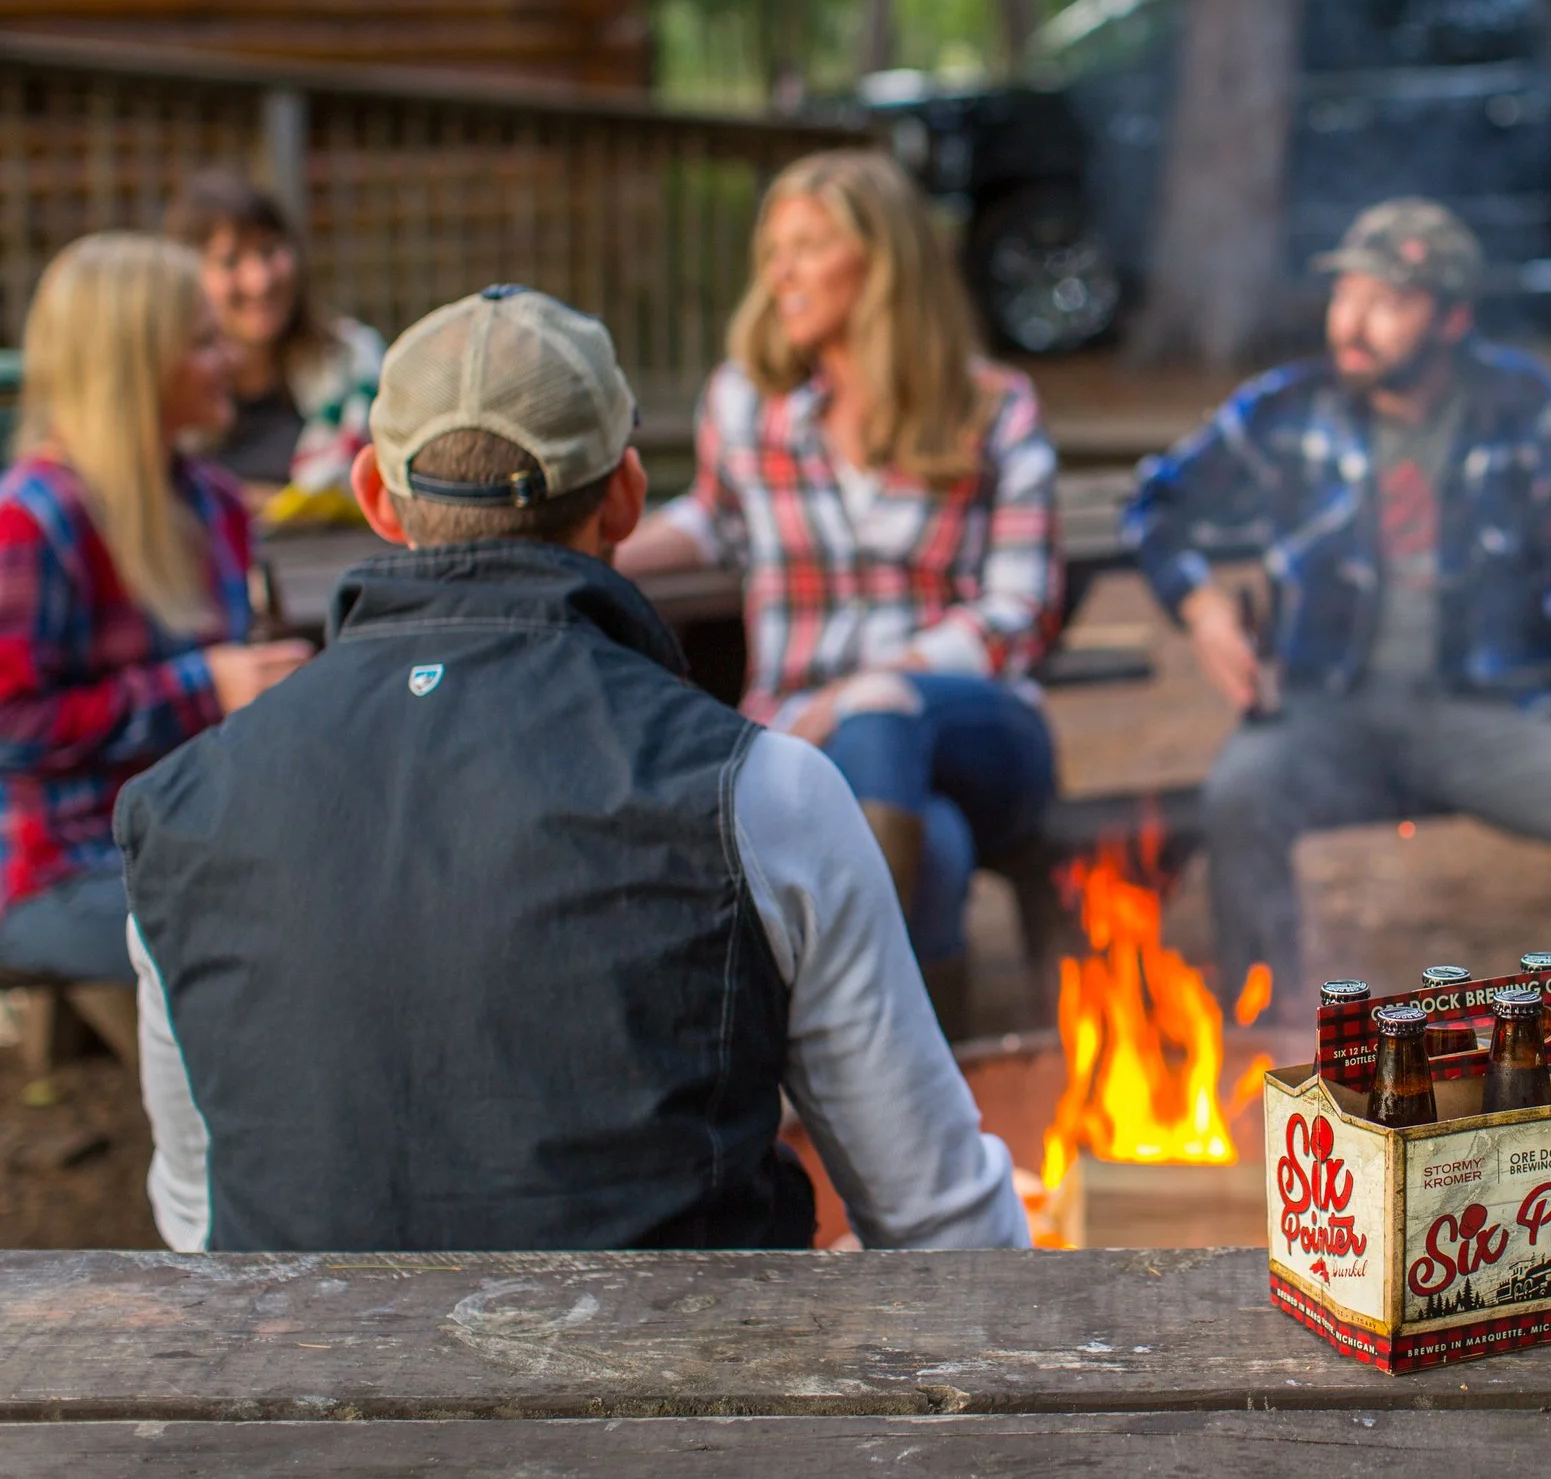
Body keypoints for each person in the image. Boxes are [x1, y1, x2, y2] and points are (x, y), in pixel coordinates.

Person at [116, 285, 1027, 1253]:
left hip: (300, 1393)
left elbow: (200, 1213)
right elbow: (944, 1226)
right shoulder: (760, 791)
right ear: (627, 493)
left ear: (376, 496)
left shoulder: (181, 805)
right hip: (682, 1397)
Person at [1124, 199, 1551, 1005]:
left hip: (1491, 712)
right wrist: (1201, 605)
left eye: (1386, 302)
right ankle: (1266, 1050)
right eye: (1346, 295)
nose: (1351, 323)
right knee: (1241, 791)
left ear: (1451, 318)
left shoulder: (1523, 409)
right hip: (1325, 712)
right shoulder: (1289, 406)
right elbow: (1156, 505)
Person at [618, 151, 1060, 1038]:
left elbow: (1020, 612)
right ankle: (944, 1088)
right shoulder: (749, 404)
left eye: (809, 246)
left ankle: (846, 1038)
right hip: (817, 747)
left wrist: (865, 689)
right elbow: (713, 518)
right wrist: (591, 551)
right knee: (930, 849)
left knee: (884, 713)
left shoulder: (993, 407)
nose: (779, 273)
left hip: (978, 732)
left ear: (882, 261)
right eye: (772, 250)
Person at [0, 233, 308, 995]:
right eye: (205, 342)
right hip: (56, 867)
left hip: (194, 836)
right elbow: (11, 727)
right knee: (271, 932)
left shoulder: (216, 501)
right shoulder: (33, 521)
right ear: (135, 366)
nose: (231, 358)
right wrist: (203, 686)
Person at [164, 170, 384, 519]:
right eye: (230, 261)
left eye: (270, 251)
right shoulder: (168, 383)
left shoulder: (353, 361)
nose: (261, 280)